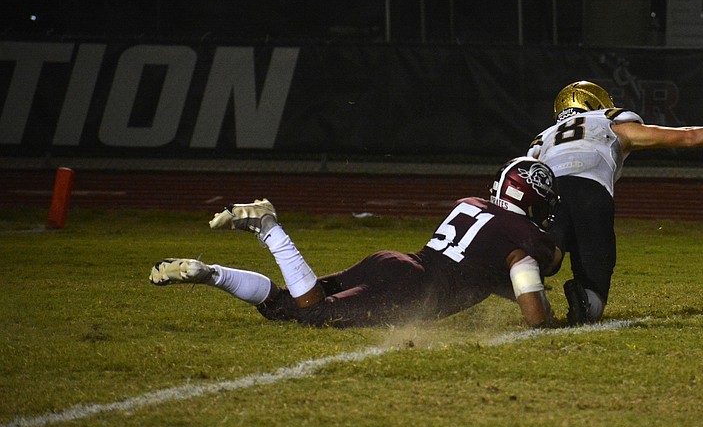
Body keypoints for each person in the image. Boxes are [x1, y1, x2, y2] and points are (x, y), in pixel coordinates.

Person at [149, 157, 564, 328]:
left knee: (286, 308)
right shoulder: (520, 236)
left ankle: (210, 273)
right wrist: (547, 308)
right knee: (315, 316)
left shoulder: (472, 203)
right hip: (411, 287)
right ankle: (269, 227)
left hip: (395, 262)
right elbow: (534, 315)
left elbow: (477, 269)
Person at [526, 80, 703, 325]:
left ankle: (524, 273)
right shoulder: (609, 123)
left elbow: (523, 174)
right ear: (596, 102)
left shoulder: (543, 137)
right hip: (592, 193)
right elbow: (689, 137)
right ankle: (586, 302)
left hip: (549, 194)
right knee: (594, 288)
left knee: (549, 256)